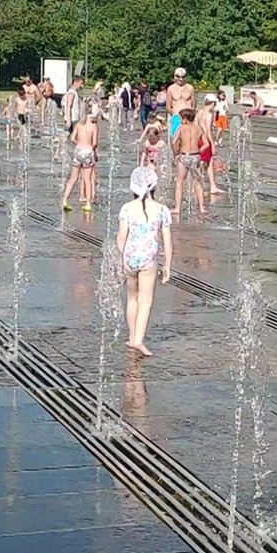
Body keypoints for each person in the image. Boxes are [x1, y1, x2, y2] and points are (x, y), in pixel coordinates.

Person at [116, 167, 173, 356]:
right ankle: (139, 341)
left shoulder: (126, 208)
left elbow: (121, 237)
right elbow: (167, 241)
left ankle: (132, 337)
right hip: (149, 258)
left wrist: (122, 257)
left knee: (132, 298)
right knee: (145, 300)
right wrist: (167, 266)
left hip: (129, 257)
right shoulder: (162, 209)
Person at [61, 106, 99, 212]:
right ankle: (88, 203)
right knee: (87, 179)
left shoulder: (78, 125)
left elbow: (72, 138)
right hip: (88, 152)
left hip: (78, 152)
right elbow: (95, 143)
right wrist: (92, 149)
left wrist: (80, 144)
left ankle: (64, 200)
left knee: (72, 178)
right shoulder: (93, 126)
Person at [171, 108, 207, 216]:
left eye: (181, 118)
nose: (181, 120)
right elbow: (206, 144)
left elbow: (173, 141)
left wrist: (176, 153)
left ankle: (177, 208)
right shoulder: (199, 129)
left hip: (184, 156)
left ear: (185, 119)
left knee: (179, 182)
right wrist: (199, 152)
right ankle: (201, 207)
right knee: (198, 182)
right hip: (195, 156)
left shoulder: (181, 128)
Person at [196, 94, 226, 194]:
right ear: (212, 103)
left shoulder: (199, 112)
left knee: (208, 163)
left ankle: (212, 186)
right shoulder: (208, 115)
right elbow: (208, 131)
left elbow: (196, 126)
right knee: (202, 163)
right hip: (206, 141)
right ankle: (196, 185)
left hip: (198, 139)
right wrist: (212, 145)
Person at [167, 68, 195, 140]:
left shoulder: (190, 88)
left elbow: (193, 104)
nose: (181, 79)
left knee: (188, 139)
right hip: (176, 117)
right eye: (178, 76)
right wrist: (175, 115)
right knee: (175, 140)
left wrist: (190, 117)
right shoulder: (170, 89)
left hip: (188, 118)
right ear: (174, 76)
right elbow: (168, 106)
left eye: (183, 77)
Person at [63, 76, 84, 141]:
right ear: (75, 82)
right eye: (81, 83)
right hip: (72, 119)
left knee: (71, 137)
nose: (82, 86)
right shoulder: (71, 93)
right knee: (74, 138)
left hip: (74, 119)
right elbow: (69, 106)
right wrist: (69, 120)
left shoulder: (74, 92)